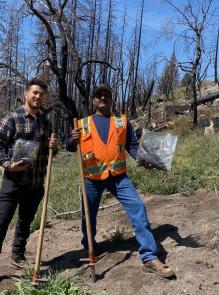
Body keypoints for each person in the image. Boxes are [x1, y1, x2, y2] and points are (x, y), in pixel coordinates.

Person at [66, 84, 174, 278]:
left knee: (138, 207)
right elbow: (71, 148)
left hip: (118, 177)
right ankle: (90, 247)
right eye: (99, 95)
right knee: (87, 216)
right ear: (93, 100)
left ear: (112, 99)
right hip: (91, 178)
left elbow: (132, 145)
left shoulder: (122, 121)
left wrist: (143, 159)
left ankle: (149, 256)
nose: (103, 98)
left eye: (107, 95)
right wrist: (71, 140)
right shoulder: (82, 124)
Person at [0, 78, 58, 295]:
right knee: (0, 225)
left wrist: (53, 147)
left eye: (41, 94)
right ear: (26, 94)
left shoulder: (46, 122)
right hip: (12, 183)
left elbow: (50, 153)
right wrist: (7, 164)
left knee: (25, 222)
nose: (38, 97)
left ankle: (18, 255)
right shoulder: (13, 117)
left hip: (35, 183)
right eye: (35, 93)